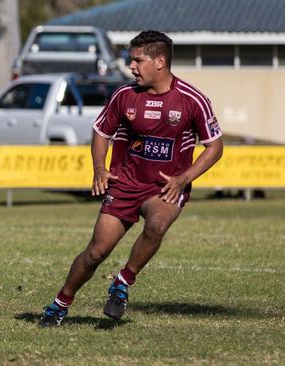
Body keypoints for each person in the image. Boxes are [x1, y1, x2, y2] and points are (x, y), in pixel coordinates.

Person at [39, 30, 224, 326]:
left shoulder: (193, 99)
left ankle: (123, 281)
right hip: (125, 183)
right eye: (131, 60)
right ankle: (61, 302)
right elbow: (101, 132)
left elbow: (214, 147)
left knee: (157, 224)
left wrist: (183, 179)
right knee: (95, 253)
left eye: (138, 60)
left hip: (164, 187)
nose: (131, 67)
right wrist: (100, 169)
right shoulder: (124, 96)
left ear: (160, 61)